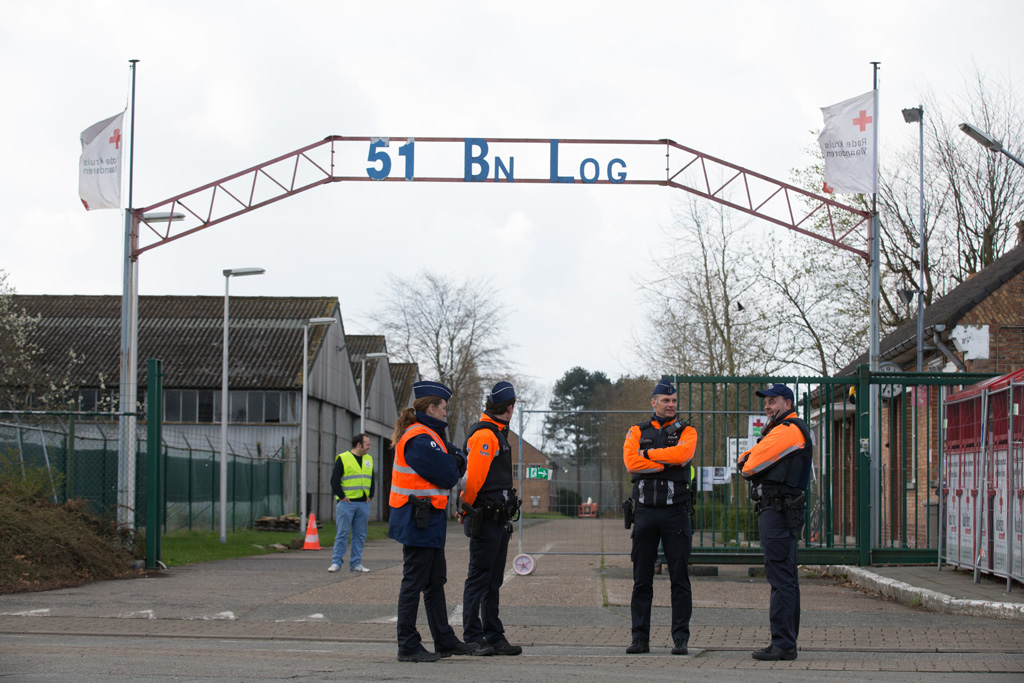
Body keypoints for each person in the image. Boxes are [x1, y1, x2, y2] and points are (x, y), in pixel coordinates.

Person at [388, 380, 494, 663]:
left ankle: (445, 641)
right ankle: (408, 644)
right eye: (444, 407)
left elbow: (458, 457)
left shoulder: (430, 436)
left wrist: (456, 458)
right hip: (417, 519)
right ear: (431, 408)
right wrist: (456, 459)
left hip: (429, 520)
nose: (446, 412)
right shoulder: (418, 439)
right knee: (414, 582)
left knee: (435, 581)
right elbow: (450, 473)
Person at [622, 379, 698, 655]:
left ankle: (680, 638)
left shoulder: (687, 431)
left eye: (674, 401)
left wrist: (649, 456)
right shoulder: (636, 430)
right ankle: (639, 639)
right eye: (665, 401)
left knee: (679, 578)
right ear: (653, 402)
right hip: (643, 514)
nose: (671, 405)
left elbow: (684, 453)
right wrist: (667, 463)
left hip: (676, 513)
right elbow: (631, 462)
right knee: (642, 579)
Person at [738, 383, 812, 662]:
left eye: (773, 401)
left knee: (780, 578)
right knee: (787, 578)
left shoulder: (788, 430)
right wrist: (749, 457)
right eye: (766, 402)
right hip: (781, 509)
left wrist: (747, 460)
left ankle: (782, 644)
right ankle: (786, 641)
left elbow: (749, 466)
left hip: (779, 510)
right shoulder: (781, 429)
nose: (767, 407)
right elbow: (751, 457)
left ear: (788, 403)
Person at [459, 381, 523, 656]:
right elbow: (473, 478)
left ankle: (494, 635)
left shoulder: (497, 432)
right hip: (485, 516)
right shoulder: (486, 435)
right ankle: (474, 636)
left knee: (493, 579)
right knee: (479, 577)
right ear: (509, 408)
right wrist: (465, 509)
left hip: (498, 517)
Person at [328, 433, 374, 573]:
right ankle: (336, 562)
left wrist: (370, 495)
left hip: (363, 503)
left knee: (360, 535)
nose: (369, 447)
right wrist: (341, 496)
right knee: (342, 533)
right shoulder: (343, 458)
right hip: (346, 503)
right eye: (367, 444)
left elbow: (371, 478)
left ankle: (356, 563)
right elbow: (334, 480)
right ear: (359, 444)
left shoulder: (368, 459)